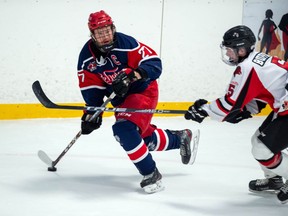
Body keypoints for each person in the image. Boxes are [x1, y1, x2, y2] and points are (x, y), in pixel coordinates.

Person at [77, 10, 199, 194]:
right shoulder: (86, 57)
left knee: (124, 130)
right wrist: (92, 114)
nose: (105, 36)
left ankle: (151, 174)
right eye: (100, 33)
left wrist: (134, 75)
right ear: (92, 34)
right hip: (121, 99)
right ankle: (180, 139)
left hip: (143, 91)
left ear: (113, 28)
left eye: (107, 30)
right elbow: (91, 88)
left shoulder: (127, 44)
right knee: (140, 139)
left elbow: (154, 62)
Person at [184, 25, 288, 204]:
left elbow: (228, 105)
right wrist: (247, 110)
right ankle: (275, 179)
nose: (228, 54)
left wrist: (203, 111)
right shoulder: (256, 61)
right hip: (284, 106)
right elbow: (263, 92)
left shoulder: (247, 67)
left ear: (241, 49)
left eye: (230, 50)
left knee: (262, 149)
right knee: (258, 141)